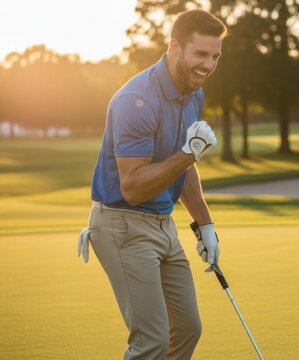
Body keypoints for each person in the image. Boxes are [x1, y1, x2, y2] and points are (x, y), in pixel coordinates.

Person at [76, 9, 227, 360]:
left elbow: (182, 167)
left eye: (215, 56)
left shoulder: (193, 93)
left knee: (189, 329)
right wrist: (189, 153)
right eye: (200, 54)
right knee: (151, 343)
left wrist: (205, 225)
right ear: (175, 47)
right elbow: (133, 187)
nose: (208, 65)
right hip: (122, 225)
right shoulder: (136, 100)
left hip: (164, 225)